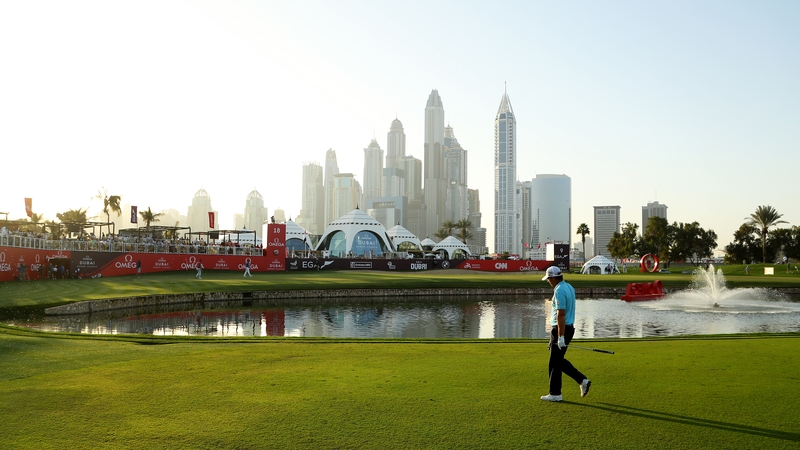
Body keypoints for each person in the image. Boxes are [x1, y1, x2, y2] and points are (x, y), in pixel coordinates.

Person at [541, 266, 591, 402]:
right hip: (568, 328)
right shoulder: (569, 287)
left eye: (548, 279)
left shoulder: (559, 290)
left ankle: (555, 393)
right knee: (558, 360)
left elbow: (561, 314)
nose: (548, 281)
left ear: (553, 278)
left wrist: (560, 336)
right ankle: (582, 380)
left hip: (561, 328)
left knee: (554, 362)